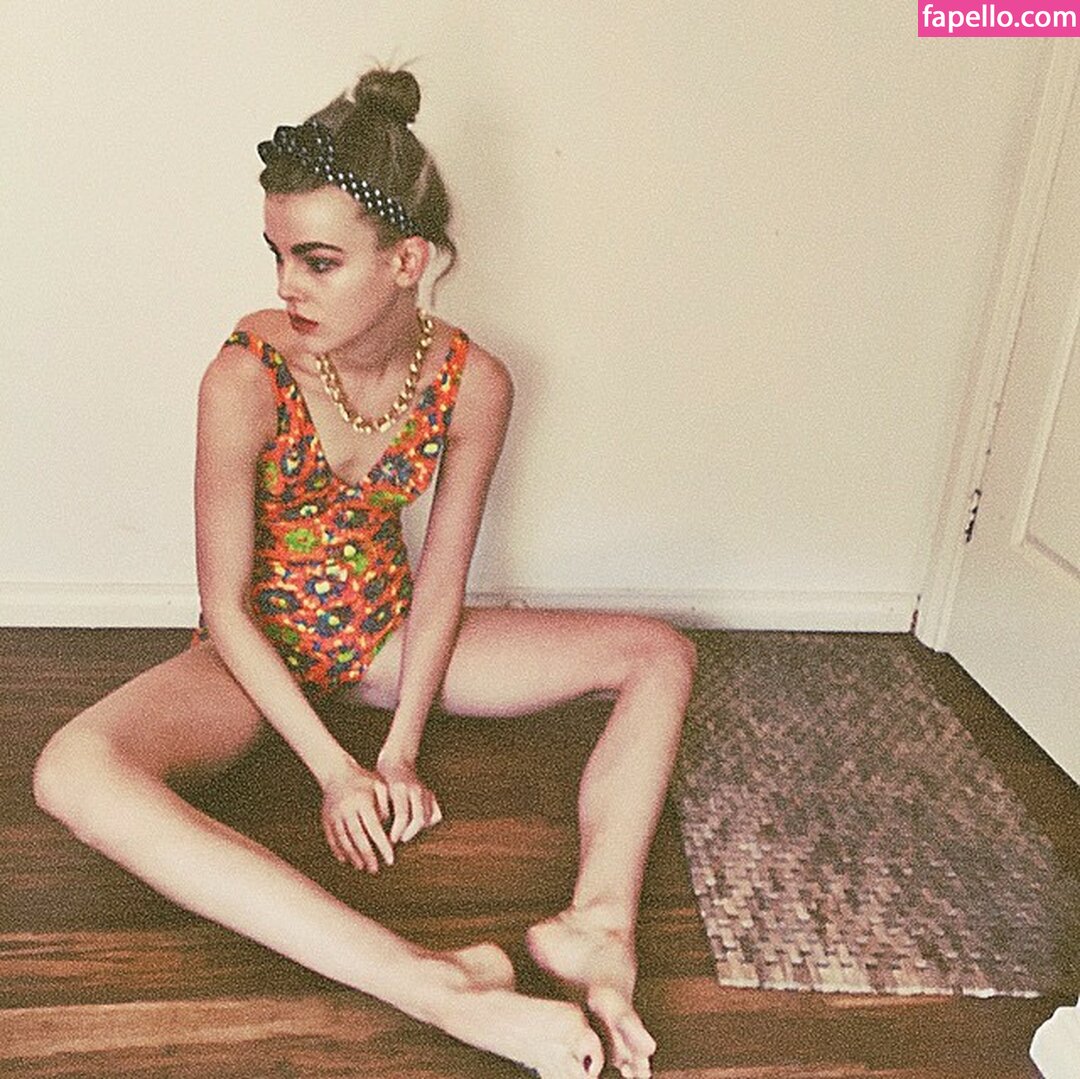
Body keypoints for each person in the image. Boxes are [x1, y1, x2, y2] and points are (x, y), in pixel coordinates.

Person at [32, 67, 696, 1079]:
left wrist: (399, 750)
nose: (287, 286)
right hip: (253, 656)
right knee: (71, 770)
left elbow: (441, 582)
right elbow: (224, 605)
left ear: (406, 260)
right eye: (277, 255)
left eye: (319, 260)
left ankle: (597, 929)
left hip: (384, 634)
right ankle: (435, 982)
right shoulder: (245, 375)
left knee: (659, 653)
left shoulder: (474, 382)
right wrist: (335, 770)